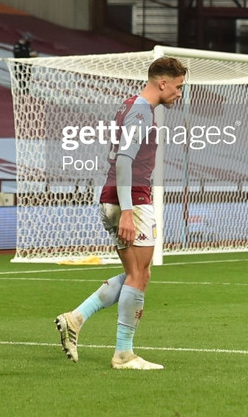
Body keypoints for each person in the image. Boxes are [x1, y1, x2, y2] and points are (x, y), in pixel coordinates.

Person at [53, 55, 187, 371]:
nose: (179, 94)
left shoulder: (130, 105)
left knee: (135, 274)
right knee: (140, 275)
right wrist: (128, 211)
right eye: (178, 87)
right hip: (132, 200)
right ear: (163, 82)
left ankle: (76, 318)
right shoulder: (141, 112)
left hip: (116, 196)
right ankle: (123, 354)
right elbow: (125, 160)